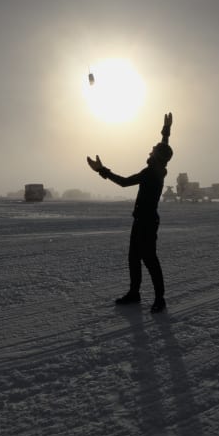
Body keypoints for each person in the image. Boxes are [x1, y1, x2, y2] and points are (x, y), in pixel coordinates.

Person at [87, 112, 173, 313]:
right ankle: (134, 293)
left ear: (157, 156)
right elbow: (164, 148)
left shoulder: (150, 173)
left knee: (149, 259)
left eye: (153, 150)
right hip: (143, 220)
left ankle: (160, 299)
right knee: (134, 257)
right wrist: (166, 132)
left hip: (147, 222)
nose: (150, 150)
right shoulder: (159, 168)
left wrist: (102, 170)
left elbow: (124, 182)